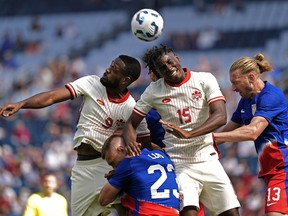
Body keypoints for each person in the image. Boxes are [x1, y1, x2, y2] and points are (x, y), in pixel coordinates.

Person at [0, 55, 152, 216]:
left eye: (114, 70)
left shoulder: (131, 109)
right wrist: (21, 104)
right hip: (83, 167)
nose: (107, 70)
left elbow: (145, 147)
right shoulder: (92, 83)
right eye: (110, 65)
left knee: (123, 211)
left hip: (110, 168)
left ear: (124, 80)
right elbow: (51, 97)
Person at [122, 44, 240, 216]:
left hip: (208, 158)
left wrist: (190, 134)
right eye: (162, 68)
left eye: (170, 62)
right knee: (188, 212)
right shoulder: (154, 91)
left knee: (231, 213)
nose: (169, 68)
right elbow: (130, 124)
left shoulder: (204, 79)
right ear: (158, 73)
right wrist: (131, 151)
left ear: (177, 58)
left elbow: (221, 116)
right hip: (179, 162)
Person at [212, 54, 288, 216]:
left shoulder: (271, 96)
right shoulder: (246, 101)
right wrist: (201, 143)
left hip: (284, 168)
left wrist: (212, 138)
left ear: (251, 77)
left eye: (235, 82)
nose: (233, 88)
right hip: (271, 170)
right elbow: (227, 131)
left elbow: (253, 131)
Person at [99, 134, 180, 216]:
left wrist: (116, 175)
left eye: (113, 162)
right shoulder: (162, 155)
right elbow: (158, 148)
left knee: (116, 202)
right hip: (173, 212)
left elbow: (103, 200)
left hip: (149, 213)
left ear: (122, 150)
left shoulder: (129, 162)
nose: (114, 168)